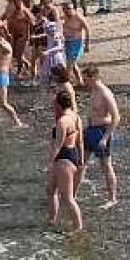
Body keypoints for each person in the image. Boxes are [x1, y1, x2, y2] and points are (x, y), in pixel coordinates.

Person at [78, 64, 121, 209]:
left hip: (102, 132)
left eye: (86, 80)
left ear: (94, 77)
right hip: (90, 130)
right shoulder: (94, 90)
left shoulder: (105, 93)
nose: (84, 83)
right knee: (81, 161)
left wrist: (105, 138)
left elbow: (116, 118)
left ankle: (112, 198)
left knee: (106, 166)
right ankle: (73, 194)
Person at [45, 90, 84, 232]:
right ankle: (51, 219)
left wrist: (49, 162)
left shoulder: (62, 121)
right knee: (50, 190)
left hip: (63, 159)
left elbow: (58, 145)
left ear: (58, 104)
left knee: (67, 198)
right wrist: (81, 160)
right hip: (71, 154)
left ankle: (78, 227)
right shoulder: (76, 117)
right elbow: (80, 141)